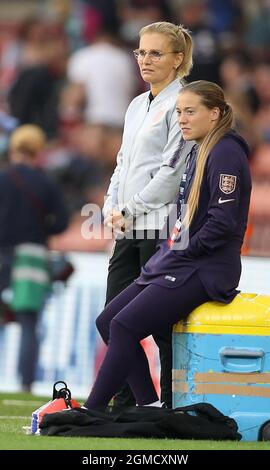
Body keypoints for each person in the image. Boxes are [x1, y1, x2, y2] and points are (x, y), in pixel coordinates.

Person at [83, 80, 252, 410]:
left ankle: (93, 408)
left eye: (191, 111)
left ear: (215, 114)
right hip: (180, 261)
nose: (183, 119)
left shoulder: (226, 152)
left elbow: (222, 222)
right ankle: (149, 405)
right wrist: (167, 253)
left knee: (123, 325)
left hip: (206, 268)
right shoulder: (199, 150)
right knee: (108, 322)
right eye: (178, 112)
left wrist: (180, 252)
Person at [102, 21, 194, 408]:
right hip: (129, 228)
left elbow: (171, 174)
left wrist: (129, 207)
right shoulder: (137, 104)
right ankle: (136, 400)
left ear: (177, 59)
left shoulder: (184, 103)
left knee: (159, 326)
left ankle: (171, 402)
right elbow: (124, 162)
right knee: (112, 321)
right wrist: (110, 205)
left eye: (155, 53)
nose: (145, 60)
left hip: (162, 228)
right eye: (141, 52)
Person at [0, 124, 69, 391]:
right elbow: (61, 223)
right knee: (29, 322)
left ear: (14, 147)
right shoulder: (46, 183)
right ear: (39, 150)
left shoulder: (3, 178)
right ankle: (25, 383)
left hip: (2, 254)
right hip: (31, 258)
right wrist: (42, 229)